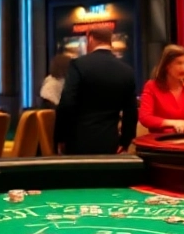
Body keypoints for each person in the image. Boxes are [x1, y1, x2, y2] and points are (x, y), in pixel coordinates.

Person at [55, 26, 138, 154]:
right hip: (110, 142)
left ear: (91, 38)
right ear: (109, 40)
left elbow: (67, 103)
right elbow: (131, 112)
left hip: (78, 142)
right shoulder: (127, 71)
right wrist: (125, 142)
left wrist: (60, 138)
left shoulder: (78, 65)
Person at [139, 45, 184, 134]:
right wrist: (175, 123)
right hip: (160, 140)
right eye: (179, 63)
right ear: (167, 66)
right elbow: (145, 118)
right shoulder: (151, 86)